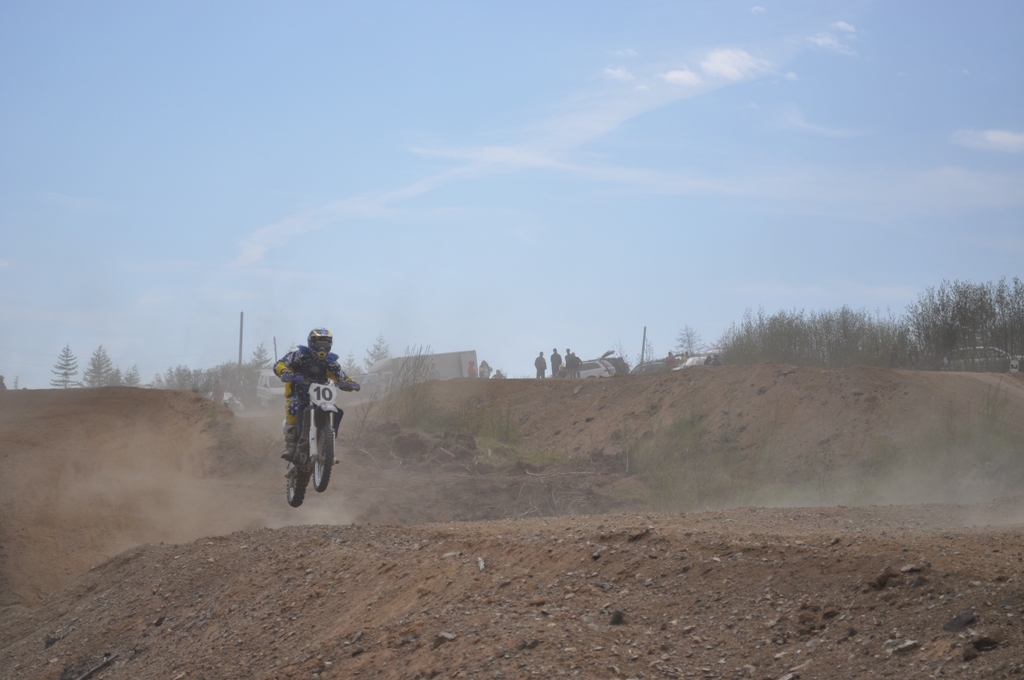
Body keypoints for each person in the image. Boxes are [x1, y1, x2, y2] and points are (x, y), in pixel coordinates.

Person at [273, 328, 359, 464]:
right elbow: (280, 364)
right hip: (299, 393)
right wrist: (285, 371)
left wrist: (349, 382)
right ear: (311, 343)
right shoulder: (299, 356)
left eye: (325, 345)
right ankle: (290, 444)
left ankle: (328, 446)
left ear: (330, 345)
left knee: (335, 410)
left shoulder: (331, 361)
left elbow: (341, 375)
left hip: (321, 396)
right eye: (319, 344)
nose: (322, 349)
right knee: (293, 408)